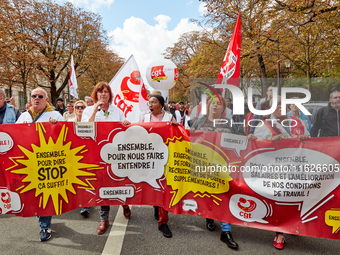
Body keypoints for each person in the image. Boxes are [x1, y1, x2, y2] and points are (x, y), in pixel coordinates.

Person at [251, 96, 309, 250]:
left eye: (283, 103)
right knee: (281, 202)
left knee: (297, 200)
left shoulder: (300, 123)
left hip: (298, 169)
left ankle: (293, 224)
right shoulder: (265, 125)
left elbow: (312, 142)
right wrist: (269, 143)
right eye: (277, 104)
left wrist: (306, 138)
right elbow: (256, 148)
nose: (280, 106)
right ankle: (280, 233)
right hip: (277, 171)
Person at [81, 81, 131, 234]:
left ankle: (124, 203)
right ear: (95, 95)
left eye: (106, 92)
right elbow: (85, 129)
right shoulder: (89, 110)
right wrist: (94, 111)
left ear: (110, 95)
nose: (103, 94)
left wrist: (125, 123)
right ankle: (104, 220)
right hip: (97, 155)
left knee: (119, 182)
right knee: (103, 186)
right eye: (100, 91)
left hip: (115, 154)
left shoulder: (117, 110)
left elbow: (125, 128)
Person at [190, 96, 239, 250]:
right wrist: (189, 132)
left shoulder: (229, 124)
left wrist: (249, 138)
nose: (215, 106)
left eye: (219, 104)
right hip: (202, 164)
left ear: (223, 109)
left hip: (223, 165)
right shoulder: (199, 122)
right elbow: (188, 138)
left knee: (224, 195)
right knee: (207, 192)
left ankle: (226, 231)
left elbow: (240, 140)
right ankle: (209, 217)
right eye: (213, 103)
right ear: (208, 106)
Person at [16, 87, 64, 242]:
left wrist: (57, 127)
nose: (36, 98)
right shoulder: (23, 116)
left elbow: (65, 137)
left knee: (44, 195)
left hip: (46, 163)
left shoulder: (55, 115)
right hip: (28, 164)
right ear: (30, 98)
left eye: (40, 96)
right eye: (33, 96)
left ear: (47, 99)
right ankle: (42, 217)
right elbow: (14, 136)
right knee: (34, 195)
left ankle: (44, 226)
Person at [140, 94, 178, 238]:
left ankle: (163, 222)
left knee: (164, 189)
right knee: (154, 187)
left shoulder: (169, 118)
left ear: (161, 105)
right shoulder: (145, 118)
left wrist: (176, 126)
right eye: (149, 102)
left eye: (153, 102)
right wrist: (126, 124)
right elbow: (137, 132)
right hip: (150, 159)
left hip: (166, 158)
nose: (150, 104)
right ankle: (156, 206)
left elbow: (178, 134)